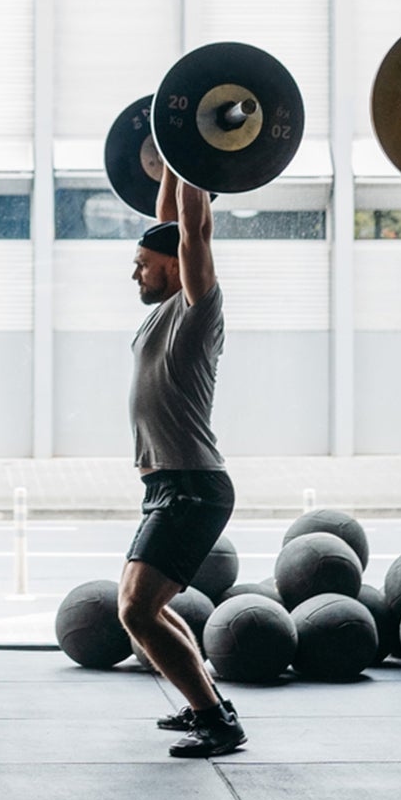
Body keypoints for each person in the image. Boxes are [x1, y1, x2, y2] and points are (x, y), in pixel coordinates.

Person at [122, 164, 245, 758]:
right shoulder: (164, 310)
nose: (135, 274)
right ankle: (210, 706)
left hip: (193, 485)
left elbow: (192, 229)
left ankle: (216, 722)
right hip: (169, 486)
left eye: (142, 265)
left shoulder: (197, 312)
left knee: (137, 611)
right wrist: (173, 160)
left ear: (172, 267)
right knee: (144, 610)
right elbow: (171, 220)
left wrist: (196, 153)